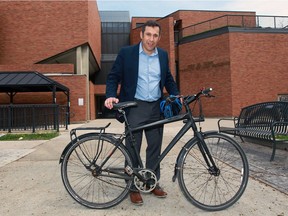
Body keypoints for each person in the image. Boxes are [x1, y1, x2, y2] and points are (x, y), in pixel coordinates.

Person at [104, 20, 180, 205]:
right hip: (134, 106)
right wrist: (111, 95)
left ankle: (151, 182)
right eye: (148, 35)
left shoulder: (162, 55)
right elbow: (113, 76)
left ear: (159, 38)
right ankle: (132, 186)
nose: (151, 39)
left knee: (154, 147)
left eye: (155, 36)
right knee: (133, 149)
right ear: (141, 35)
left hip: (155, 107)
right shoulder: (127, 53)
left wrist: (176, 95)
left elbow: (168, 78)